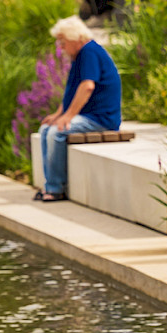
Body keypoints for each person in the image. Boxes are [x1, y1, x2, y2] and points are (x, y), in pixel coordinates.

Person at [34, 17, 121, 203]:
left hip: (100, 118)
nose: (61, 47)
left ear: (76, 39)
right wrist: (59, 114)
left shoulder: (89, 52)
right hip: (88, 115)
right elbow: (73, 92)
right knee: (45, 129)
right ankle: (50, 184)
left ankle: (56, 188)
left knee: (56, 132)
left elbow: (87, 87)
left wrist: (68, 117)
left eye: (63, 42)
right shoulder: (80, 56)